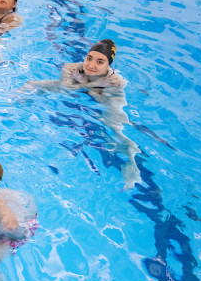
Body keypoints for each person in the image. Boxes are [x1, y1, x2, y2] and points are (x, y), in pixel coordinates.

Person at [27, 39, 142, 189]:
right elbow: (66, 88)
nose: (91, 65)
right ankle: (16, 100)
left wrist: (94, 88)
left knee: (115, 130)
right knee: (35, 84)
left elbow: (103, 97)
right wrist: (94, 84)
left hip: (107, 100)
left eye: (100, 62)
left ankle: (131, 158)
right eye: (89, 58)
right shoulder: (71, 68)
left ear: (109, 65)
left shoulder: (115, 81)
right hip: (88, 91)